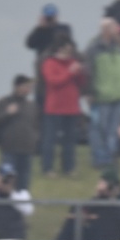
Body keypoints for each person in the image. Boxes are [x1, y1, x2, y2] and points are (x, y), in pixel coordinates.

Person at [84, 19, 120, 169]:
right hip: (100, 96)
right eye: (114, 28)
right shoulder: (94, 49)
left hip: (117, 95)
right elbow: (88, 72)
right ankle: (99, 158)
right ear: (106, 30)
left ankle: (111, 158)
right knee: (99, 129)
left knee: (113, 130)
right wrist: (89, 92)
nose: (117, 31)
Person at [0, 75, 39, 191]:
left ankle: (21, 206)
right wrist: (7, 113)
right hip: (9, 150)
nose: (28, 90)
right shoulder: (3, 103)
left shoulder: (32, 106)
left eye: (30, 87)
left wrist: (36, 141)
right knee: (6, 182)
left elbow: (37, 126)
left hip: (27, 150)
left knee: (23, 185)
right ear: (16, 86)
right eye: (26, 86)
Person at [40, 39, 85, 177]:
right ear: (58, 49)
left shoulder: (72, 62)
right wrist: (70, 72)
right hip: (54, 108)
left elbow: (80, 83)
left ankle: (69, 168)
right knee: (50, 139)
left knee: (70, 141)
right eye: (66, 50)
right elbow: (54, 82)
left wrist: (80, 73)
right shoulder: (49, 63)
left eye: (70, 50)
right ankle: (48, 168)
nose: (69, 53)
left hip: (71, 108)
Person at [56, 170, 120, 240]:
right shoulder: (99, 198)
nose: (99, 186)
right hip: (95, 230)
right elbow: (88, 207)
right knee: (73, 222)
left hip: (114, 233)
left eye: (103, 183)